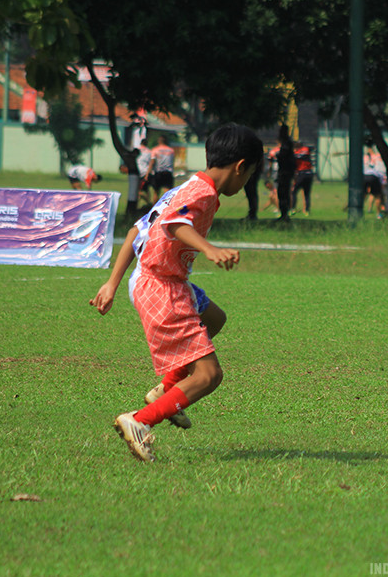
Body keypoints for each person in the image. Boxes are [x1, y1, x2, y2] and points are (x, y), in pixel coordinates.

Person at [89, 123, 263, 462]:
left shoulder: (186, 188)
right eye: (250, 175)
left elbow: (137, 230)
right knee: (209, 375)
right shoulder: (201, 194)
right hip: (161, 286)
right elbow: (175, 224)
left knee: (214, 318)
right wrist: (210, 249)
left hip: (163, 279)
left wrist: (112, 283)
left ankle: (165, 390)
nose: (246, 184)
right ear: (240, 167)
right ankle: (140, 420)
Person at [276, 125, 296, 221]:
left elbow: (283, 156)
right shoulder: (288, 143)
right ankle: (284, 213)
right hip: (286, 172)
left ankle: (284, 213)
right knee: (284, 192)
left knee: (283, 192)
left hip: (284, 172)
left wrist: (278, 155)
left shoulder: (286, 144)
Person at [290, 143, 315, 216]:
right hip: (309, 173)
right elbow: (312, 148)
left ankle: (293, 208)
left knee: (294, 191)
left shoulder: (294, 154)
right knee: (306, 193)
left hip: (301, 174)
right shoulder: (306, 149)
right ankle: (307, 210)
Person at [150, 134, 176, 203]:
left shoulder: (155, 150)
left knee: (156, 192)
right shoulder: (171, 150)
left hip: (158, 172)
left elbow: (152, 161)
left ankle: (154, 207)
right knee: (167, 193)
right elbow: (172, 161)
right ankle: (166, 207)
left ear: (159, 141)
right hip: (168, 173)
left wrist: (148, 172)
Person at [363, 147, 385, 215]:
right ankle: (378, 214)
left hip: (364, 176)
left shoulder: (364, 157)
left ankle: (358, 210)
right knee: (377, 196)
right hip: (374, 176)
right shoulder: (377, 156)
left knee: (363, 195)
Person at [136, 138, 155, 207]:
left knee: (138, 191)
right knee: (146, 190)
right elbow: (152, 162)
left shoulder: (137, 150)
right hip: (147, 172)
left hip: (140, 172)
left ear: (141, 143)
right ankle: (148, 204)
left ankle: (149, 203)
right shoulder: (150, 151)